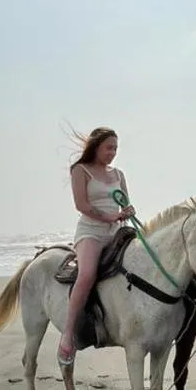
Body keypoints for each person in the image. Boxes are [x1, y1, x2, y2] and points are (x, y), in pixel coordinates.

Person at [57, 126, 135, 368]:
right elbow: (82, 205)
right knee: (87, 274)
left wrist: (127, 212)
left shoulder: (118, 174)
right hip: (91, 231)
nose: (113, 153)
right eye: (108, 148)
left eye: (115, 148)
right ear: (96, 147)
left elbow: (125, 202)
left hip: (116, 231)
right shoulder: (80, 170)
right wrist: (109, 217)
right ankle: (68, 334)